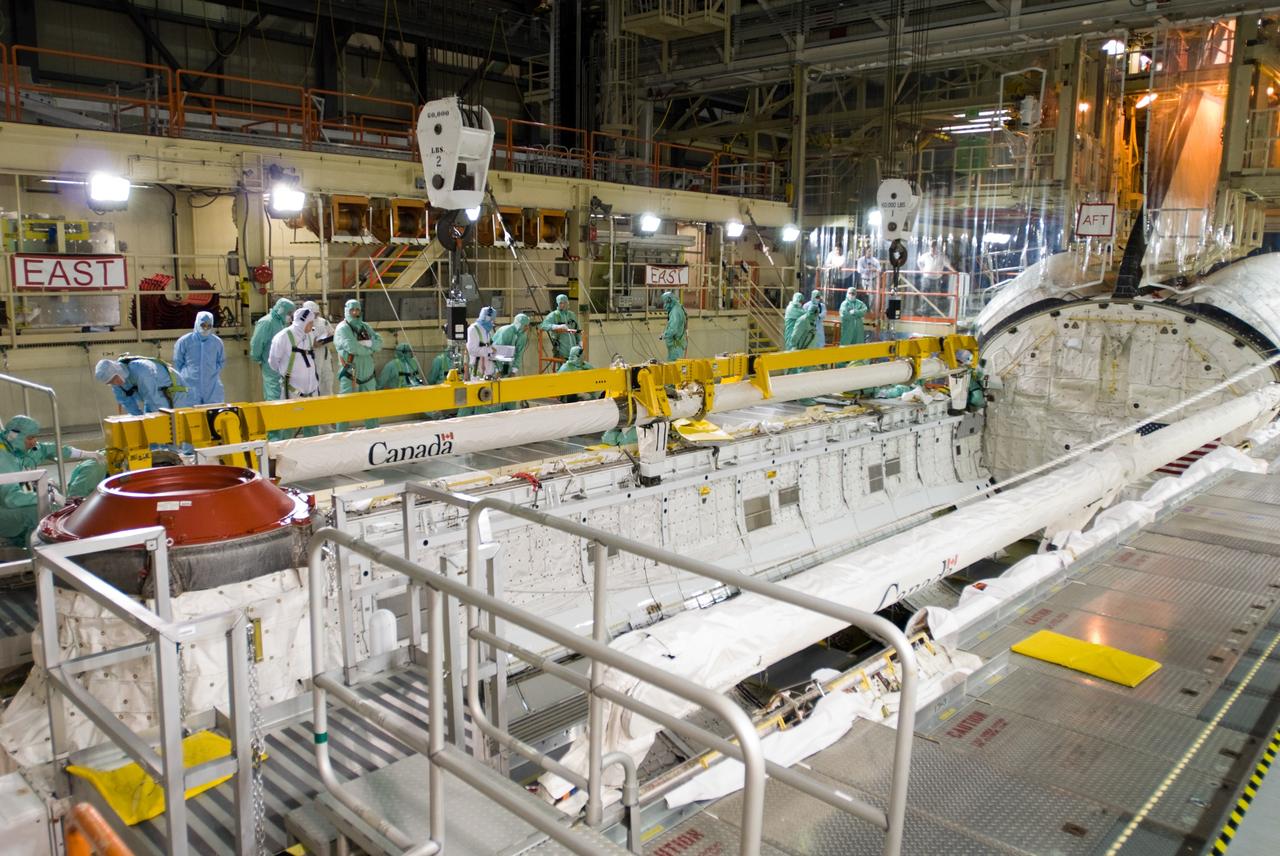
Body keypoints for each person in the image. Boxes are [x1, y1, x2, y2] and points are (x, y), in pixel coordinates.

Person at [0, 415, 103, 548]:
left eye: (35, 437)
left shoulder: (19, 449)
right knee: (38, 510)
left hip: (14, 495)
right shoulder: (4, 459)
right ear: (15, 437)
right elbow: (11, 497)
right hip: (4, 506)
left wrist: (85, 454)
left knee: (49, 486)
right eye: (30, 438)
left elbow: (48, 449)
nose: (34, 442)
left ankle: (20, 541)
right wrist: (47, 497)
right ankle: (38, 560)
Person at [335, 299, 383, 430]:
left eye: (357, 309)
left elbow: (380, 342)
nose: (355, 312)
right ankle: (341, 436)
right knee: (345, 408)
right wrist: (370, 347)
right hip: (350, 375)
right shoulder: (342, 328)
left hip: (368, 376)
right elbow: (352, 347)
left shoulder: (365, 327)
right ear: (346, 311)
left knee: (371, 408)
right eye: (352, 310)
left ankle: (373, 433)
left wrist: (370, 344)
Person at [94, 356, 187, 415]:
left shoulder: (141, 371)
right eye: (110, 382)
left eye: (114, 378)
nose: (115, 383)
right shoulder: (117, 382)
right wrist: (138, 420)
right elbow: (126, 402)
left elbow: (154, 400)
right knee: (149, 428)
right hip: (153, 395)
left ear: (117, 370)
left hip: (175, 390)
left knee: (175, 426)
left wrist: (161, 420)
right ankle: (157, 446)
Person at [172, 311, 225, 406]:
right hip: (189, 387)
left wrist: (210, 373)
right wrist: (189, 375)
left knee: (213, 415)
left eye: (209, 326)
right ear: (197, 323)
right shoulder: (185, 341)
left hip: (212, 388)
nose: (205, 328)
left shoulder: (217, 342)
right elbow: (177, 362)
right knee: (190, 416)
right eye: (203, 325)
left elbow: (221, 362)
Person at [249, 297, 296, 402]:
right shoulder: (266, 322)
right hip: (270, 367)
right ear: (281, 309)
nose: (290, 316)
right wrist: (258, 358)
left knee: (284, 396)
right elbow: (257, 343)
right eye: (289, 313)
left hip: (283, 367)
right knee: (273, 395)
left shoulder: (282, 323)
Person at [303, 300, 337, 397]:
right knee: (314, 380)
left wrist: (330, 336)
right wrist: (312, 344)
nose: (316, 316)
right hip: (312, 356)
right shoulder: (302, 324)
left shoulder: (323, 322)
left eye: (317, 313)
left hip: (325, 354)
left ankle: (328, 401)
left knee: (328, 378)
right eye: (314, 314)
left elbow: (331, 332)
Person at [540, 293, 579, 362]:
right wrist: (556, 326)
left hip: (573, 348)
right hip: (561, 348)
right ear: (557, 303)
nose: (563, 305)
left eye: (565, 302)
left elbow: (577, 330)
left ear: (568, 303)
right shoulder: (554, 315)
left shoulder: (572, 315)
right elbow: (543, 325)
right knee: (562, 368)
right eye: (561, 303)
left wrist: (580, 343)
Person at [491, 313, 532, 377]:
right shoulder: (506, 331)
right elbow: (494, 352)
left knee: (506, 381)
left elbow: (519, 353)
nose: (527, 328)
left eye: (528, 325)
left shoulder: (522, 335)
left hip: (507, 363)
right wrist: (496, 370)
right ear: (519, 324)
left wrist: (513, 371)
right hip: (495, 364)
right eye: (525, 325)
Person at [466, 306, 498, 379]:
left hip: (489, 373)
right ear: (487, 318)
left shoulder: (488, 330)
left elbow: (490, 346)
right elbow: (472, 350)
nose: (493, 321)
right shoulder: (473, 329)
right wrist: (490, 350)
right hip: (477, 374)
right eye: (492, 319)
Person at [660, 291, 688, 361]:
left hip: (676, 346)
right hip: (678, 345)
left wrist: (664, 335)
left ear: (669, 300)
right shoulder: (678, 307)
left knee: (674, 367)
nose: (664, 305)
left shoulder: (675, 312)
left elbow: (673, 329)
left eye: (665, 302)